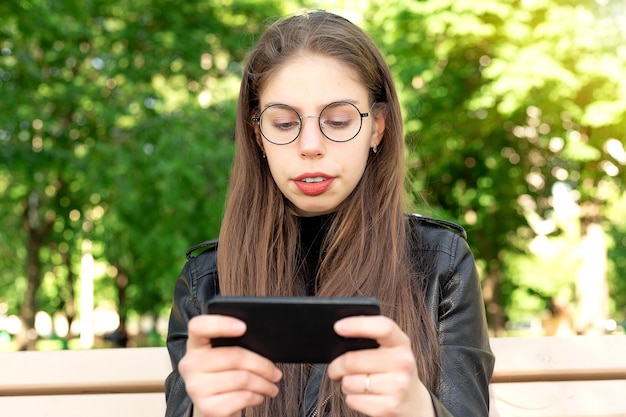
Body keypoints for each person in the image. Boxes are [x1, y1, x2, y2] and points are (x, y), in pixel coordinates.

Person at [165, 10, 494, 417]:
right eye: (284, 124)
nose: (310, 145)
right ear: (257, 136)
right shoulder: (206, 283)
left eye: (338, 121)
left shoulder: (442, 263)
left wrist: (418, 408)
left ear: (377, 127)